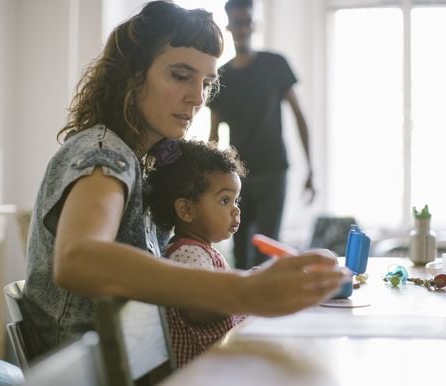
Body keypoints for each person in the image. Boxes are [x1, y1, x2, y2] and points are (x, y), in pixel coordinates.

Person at [22, 0, 348, 357]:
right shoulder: (106, 154)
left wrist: (251, 284)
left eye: (207, 82)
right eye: (180, 75)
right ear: (133, 74)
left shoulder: (141, 162)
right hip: (88, 372)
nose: (197, 98)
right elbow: (78, 260)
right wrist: (241, 291)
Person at [208, 0, 316, 270]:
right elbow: (213, 135)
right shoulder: (221, 77)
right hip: (237, 177)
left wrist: (310, 168)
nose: (242, 28)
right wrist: (210, 180)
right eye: (237, 23)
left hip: (274, 171)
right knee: (240, 249)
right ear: (228, 26)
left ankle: (267, 311)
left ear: (253, 24)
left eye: (246, 22)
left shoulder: (275, 64)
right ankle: (241, 313)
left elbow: (299, 117)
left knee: (268, 248)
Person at [145, 139, 248, 367]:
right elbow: (199, 309)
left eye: (236, 200)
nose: (236, 209)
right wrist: (247, 295)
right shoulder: (187, 253)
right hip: (198, 373)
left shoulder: (202, 251)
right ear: (187, 210)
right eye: (224, 200)